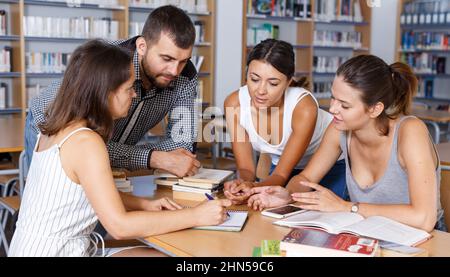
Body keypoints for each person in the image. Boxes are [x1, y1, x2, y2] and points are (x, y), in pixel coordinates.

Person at [8, 40, 231, 257]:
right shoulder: (87, 143)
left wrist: (145, 204)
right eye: (128, 88)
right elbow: (120, 227)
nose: (134, 95)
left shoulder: (57, 128)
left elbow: (93, 193)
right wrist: (197, 215)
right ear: (104, 93)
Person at [248, 55, 446, 232]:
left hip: (420, 239)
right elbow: (307, 177)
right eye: (333, 98)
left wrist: (347, 207)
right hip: (368, 232)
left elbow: (424, 218)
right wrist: (288, 196)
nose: (333, 109)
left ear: (375, 109)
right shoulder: (339, 129)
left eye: (344, 105)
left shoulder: (410, 131)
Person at [25, 5, 201, 178]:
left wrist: (148, 157)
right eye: (167, 58)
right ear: (142, 46)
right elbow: (82, 143)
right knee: (62, 199)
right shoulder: (107, 61)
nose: (174, 71)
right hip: (49, 124)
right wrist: (153, 158)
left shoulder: (186, 76)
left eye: (183, 61)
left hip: (103, 143)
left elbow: (181, 144)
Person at [223, 39, 346, 205]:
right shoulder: (234, 104)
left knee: (322, 218)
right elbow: (246, 169)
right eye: (254, 79)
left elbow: (281, 174)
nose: (260, 90)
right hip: (282, 169)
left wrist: (252, 188)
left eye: (273, 83)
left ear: (288, 82)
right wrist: (242, 184)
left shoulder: (303, 107)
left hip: (332, 166)